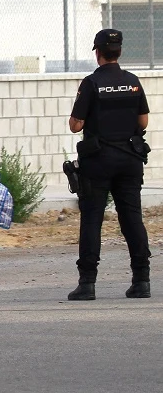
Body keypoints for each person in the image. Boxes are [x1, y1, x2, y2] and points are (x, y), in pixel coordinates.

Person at [66, 29, 151, 301]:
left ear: (97, 51)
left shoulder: (91, 83)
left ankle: (87, 284)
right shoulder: (133, 81)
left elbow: (75, 125)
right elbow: (143, 122)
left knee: (92, 220)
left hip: (99, 161)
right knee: (132, 219)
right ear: (120, 51)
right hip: (130, 159)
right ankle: (142, 281)